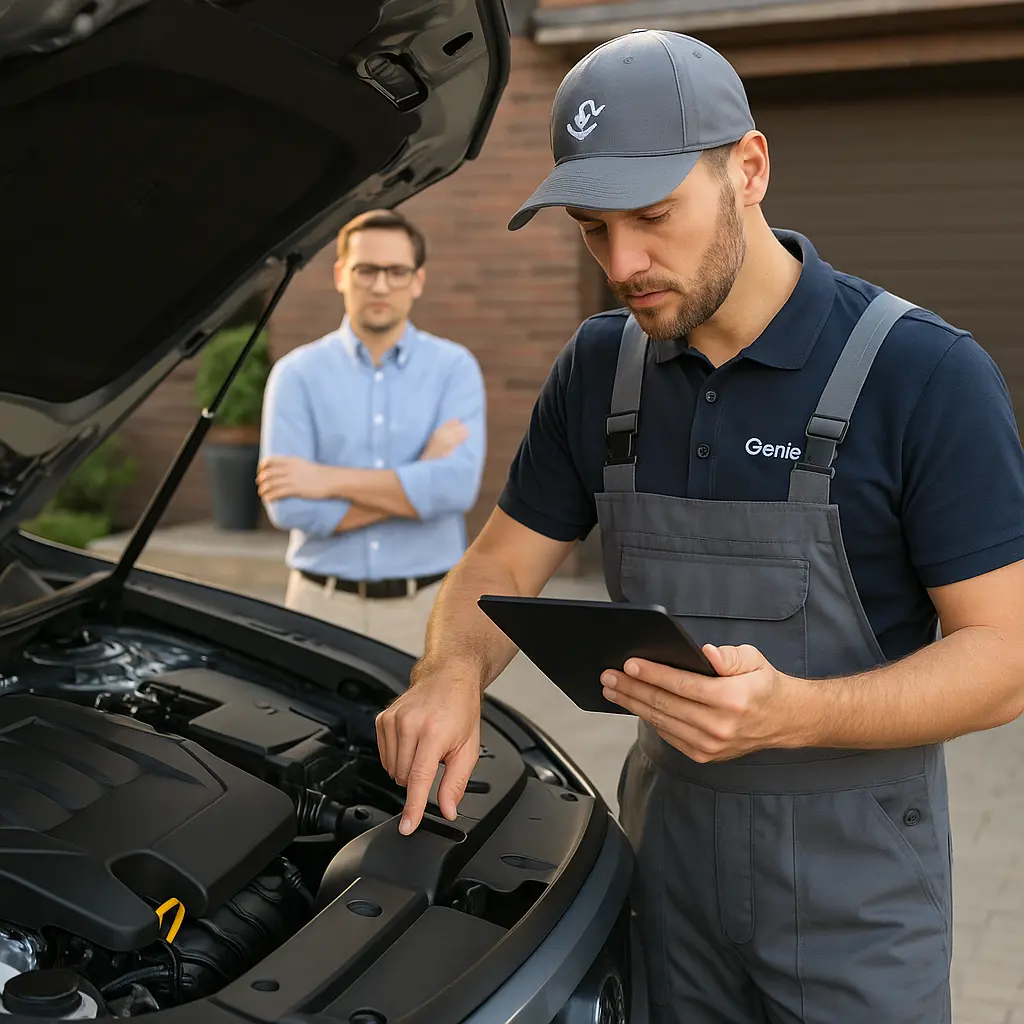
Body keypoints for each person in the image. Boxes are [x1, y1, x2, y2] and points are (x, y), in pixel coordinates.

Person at [373, 29, 1024, 1024]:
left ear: (748, 169)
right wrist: (449, 674)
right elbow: (500, 558)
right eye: (593, 228)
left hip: (860, 897)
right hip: (665, 873)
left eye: (651, 215)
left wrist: (796, 713)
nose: (623, 262)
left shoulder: (923, 375)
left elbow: (1006, 658)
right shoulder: (598, 371)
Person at [257, 209, 486, 653]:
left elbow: (455, 490)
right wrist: (418, 477)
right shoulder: (295, 374)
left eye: (396, 272)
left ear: (417, 280)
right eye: (366, 270)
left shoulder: (453, 368)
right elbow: (290, 509)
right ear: (341, 274)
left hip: (426, 610)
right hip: (319, 608)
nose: (381, 286)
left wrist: (324, 480)